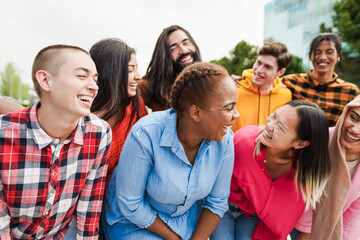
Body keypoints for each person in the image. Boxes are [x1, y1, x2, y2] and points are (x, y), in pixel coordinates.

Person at [102, 62, 239, 240]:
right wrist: (175, 239)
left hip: (184, 223)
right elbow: (131, 204)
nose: (236, 115)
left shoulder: (226, 141)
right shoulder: (146, 134)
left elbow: (217, 203)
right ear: (196, 113)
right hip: (133, 222)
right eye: (229, 108)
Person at [0, 44, 112, 239]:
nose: (94, 87)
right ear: (45, 80)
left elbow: (89, 212)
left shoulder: (99, 133)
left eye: (95, 79)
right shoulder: (5, 134)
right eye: (81, 76)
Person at [211, 100, 331, 240]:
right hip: (223, 205)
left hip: (255, 214)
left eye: (280, 127)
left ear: (300, 143)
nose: (269, 125)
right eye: (274, 116)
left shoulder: (303, 172)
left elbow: (280, 217)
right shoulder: (243, 142)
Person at [290, 95, 360, 240]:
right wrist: (307, 230)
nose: (355, 130)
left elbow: (354, 216)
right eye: (354, 118)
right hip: (286, 220)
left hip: (329, 231)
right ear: (345, 113)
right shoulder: (318, 139)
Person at [89, 38, 148, 184]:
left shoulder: (135, 107)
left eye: (136, 68)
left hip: (124, 195)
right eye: (130, 70)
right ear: (110, 72)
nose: (138, 76)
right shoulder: (83, 117)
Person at [282, 32, 360, 127]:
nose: (322, 57)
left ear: (339, 55)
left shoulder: (351, 93)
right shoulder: (289, 82)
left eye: (329, 52)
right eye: (317, 52)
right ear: (310, 56)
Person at [231, 41, 292, 132]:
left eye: (267, 67)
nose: (259, 70)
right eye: (259, 63)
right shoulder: (233, 89)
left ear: (280, 72)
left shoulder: (286, 95)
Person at [138, 25, 202, 111]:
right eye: (174, 48)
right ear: (165, 57)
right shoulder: (152, 86)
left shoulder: (211, 80)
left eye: (186, 43)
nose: (184, 51)